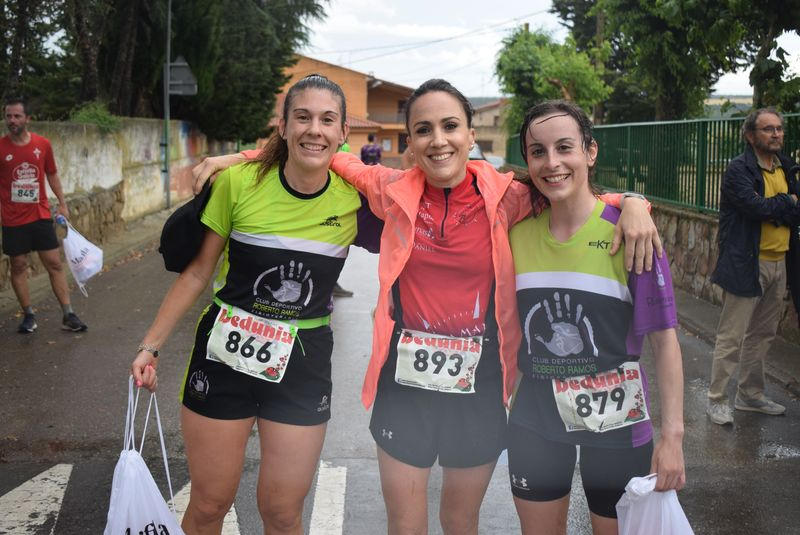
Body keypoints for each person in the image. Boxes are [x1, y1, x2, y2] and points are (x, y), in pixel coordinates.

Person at [192, 79, 660, 534]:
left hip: (478, 386)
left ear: (470, 136)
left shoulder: (507, 196)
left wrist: (632, 202)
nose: (438, 140)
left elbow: (569, 190)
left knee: (460, 523)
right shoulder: (391, 188)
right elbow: (320, 151)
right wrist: (240, 157)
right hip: (404, 386)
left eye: (450, 126)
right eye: (423, 130)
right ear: (411, 143)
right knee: (406, 526)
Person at [130, 74, 378, 535]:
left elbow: (421, 212)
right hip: (224, 355)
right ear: (282, 126)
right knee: (209, 504)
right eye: (302, 117)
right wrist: (151, 345)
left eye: (327, 120)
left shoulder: (355, 201)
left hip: (302, 364)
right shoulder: (238, 183)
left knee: (282, 513)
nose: (314, 130)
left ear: (343, 132)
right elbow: (198, 273)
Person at [506, 100, 685, 535]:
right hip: (535, 418)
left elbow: (664, 341)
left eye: (564, 147)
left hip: (618, 421)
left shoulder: (632, 234)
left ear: (590, 151)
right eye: (538, 152)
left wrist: (672, 438)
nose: (552, 162)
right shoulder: (515, 235)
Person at [706, 108, 800, 425]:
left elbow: (792, 208)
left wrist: (782, 206)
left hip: (780, 261)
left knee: (763, 334)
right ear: (750, 135)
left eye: (779, 128)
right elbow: (755, 207)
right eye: (767, 129)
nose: (776, 134)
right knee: (731, 336)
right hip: (746, 262)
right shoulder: (739, 169)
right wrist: (786, 203)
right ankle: (717, 400)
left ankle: (750, 395)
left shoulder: (786, 166)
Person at [0, 97, 87, 333]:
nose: (12, 120)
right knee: (18, 266)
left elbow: (52, 174)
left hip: (39, 215)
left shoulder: (42, 144)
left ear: (27, 118)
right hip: (12, 219)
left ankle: (68, 314)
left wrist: (62, 203)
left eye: (17, 116)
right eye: (8, 116)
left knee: (54, 263)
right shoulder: (1, 147)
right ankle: (28, 315)